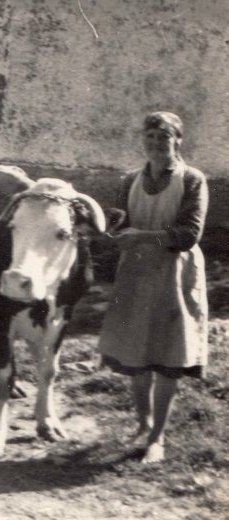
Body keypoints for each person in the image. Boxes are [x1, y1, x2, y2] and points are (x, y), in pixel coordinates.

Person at [98, 111, 209, 464]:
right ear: (142, 140)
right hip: (135, 274)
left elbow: (188, 235)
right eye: (150, 138)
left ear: (178, 141)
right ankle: (143, 424)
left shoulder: (192, 180)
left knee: (166, 355)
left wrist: (141, 237)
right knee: (135, 350)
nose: (157, 144)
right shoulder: (129, 179)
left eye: (165, 138)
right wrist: (109, 227)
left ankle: (157, 438)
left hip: (175, 275)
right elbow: (120, 222)